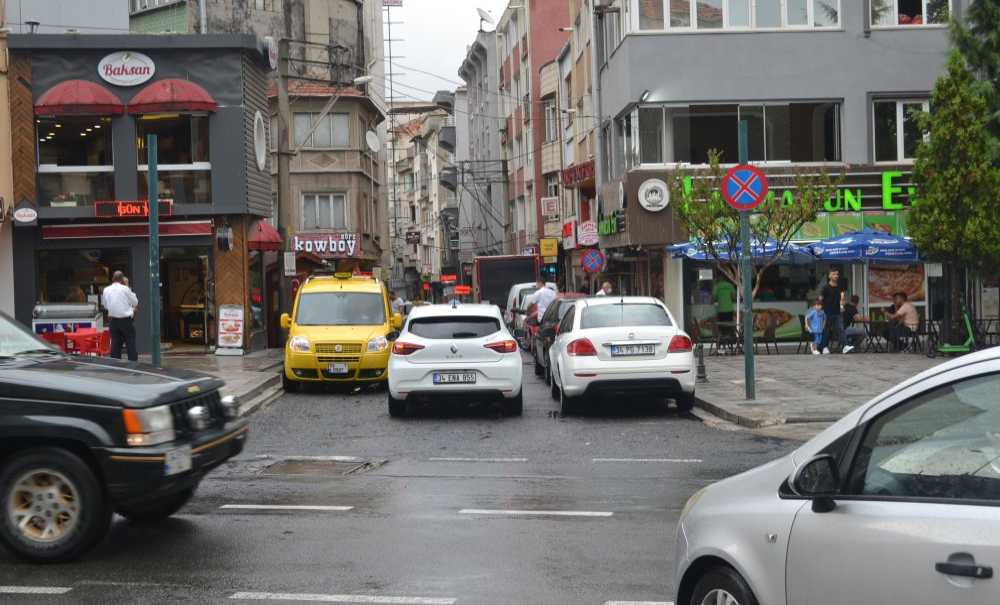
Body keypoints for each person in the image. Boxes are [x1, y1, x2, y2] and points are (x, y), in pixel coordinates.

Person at [102, 271, 139, 362]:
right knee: (130, 343)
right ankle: (132, 365)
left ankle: (116, 366)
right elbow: (135, 302)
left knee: (115, 344)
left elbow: (105, 305)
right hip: (125, 320)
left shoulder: (106, 289)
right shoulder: (125, 289)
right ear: (122, 279)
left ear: (112, 279)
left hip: (113, 320)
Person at [819, 269, 847, 354]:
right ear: (829, 276)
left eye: (837, 274)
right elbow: (820, 299)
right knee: (826, 330)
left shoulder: (839, 287)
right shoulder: (825, 288)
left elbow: (842, 297)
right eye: (834, 274)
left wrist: (842, 304)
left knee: (840, 329)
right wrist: (820, 310)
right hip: (827, 312)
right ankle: (824, 347)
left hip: (837, 312)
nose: (836, 276)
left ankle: (845, 346)